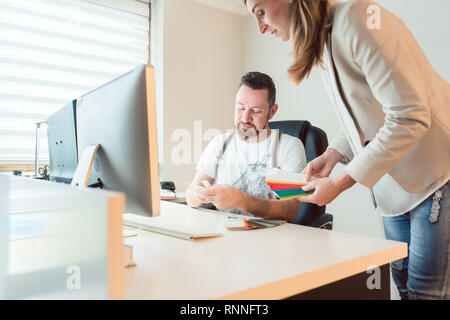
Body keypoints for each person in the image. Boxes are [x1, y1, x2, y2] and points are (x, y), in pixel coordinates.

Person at [244, 0, 449, 300]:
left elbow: (409, 116)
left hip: (435, 175)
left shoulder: (358, 18)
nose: (260, 28)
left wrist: (342, 181)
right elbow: (366, 111)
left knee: (425, 294)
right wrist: (333, 155)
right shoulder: (324, 38)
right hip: (394, 188)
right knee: (404, 289)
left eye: (260, 12)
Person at [186, 71, 307, 223]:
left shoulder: (288, 147)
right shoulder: (220, 143)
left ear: (272, 111)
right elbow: (191, 196)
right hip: (223, 236)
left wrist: (243, 201)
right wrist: (199, 196)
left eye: (256, 111)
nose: (245, 118)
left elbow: (291, 210)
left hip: (270, 239)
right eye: (241, 108)